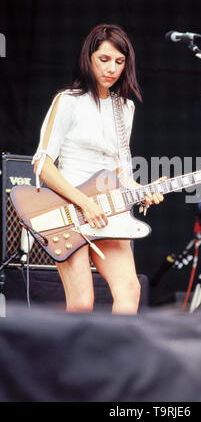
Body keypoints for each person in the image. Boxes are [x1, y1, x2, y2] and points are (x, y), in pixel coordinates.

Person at [32, 24, 164, 314]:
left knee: (130, 290)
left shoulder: (125, 109)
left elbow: (121, 172)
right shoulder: (68, 101)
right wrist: (84, 203)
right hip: (70, 211)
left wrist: (142, 191)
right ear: (88, 58)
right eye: (104, 59)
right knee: (81, 302)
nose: (112, 68)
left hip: (108, 212)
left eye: (119, 62)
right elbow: (42, 164)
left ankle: (114, 360)